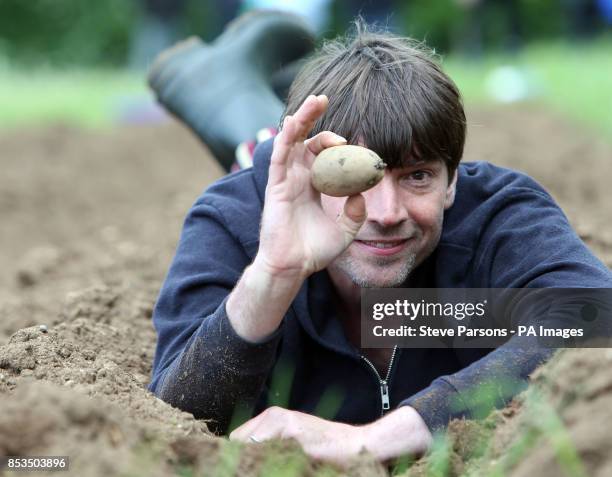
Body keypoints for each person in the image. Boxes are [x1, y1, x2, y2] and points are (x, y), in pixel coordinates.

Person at [148, 13, 612, 466]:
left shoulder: (494, 213)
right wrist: (273, 276)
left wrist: (373, 438)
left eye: (417, 176)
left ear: (453, 180)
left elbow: (597, 318)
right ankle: (227, 90)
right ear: (314, 176)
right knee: (259, 161)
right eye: (355, 178)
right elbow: (173, 417)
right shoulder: (234, 217)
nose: (387, 214)